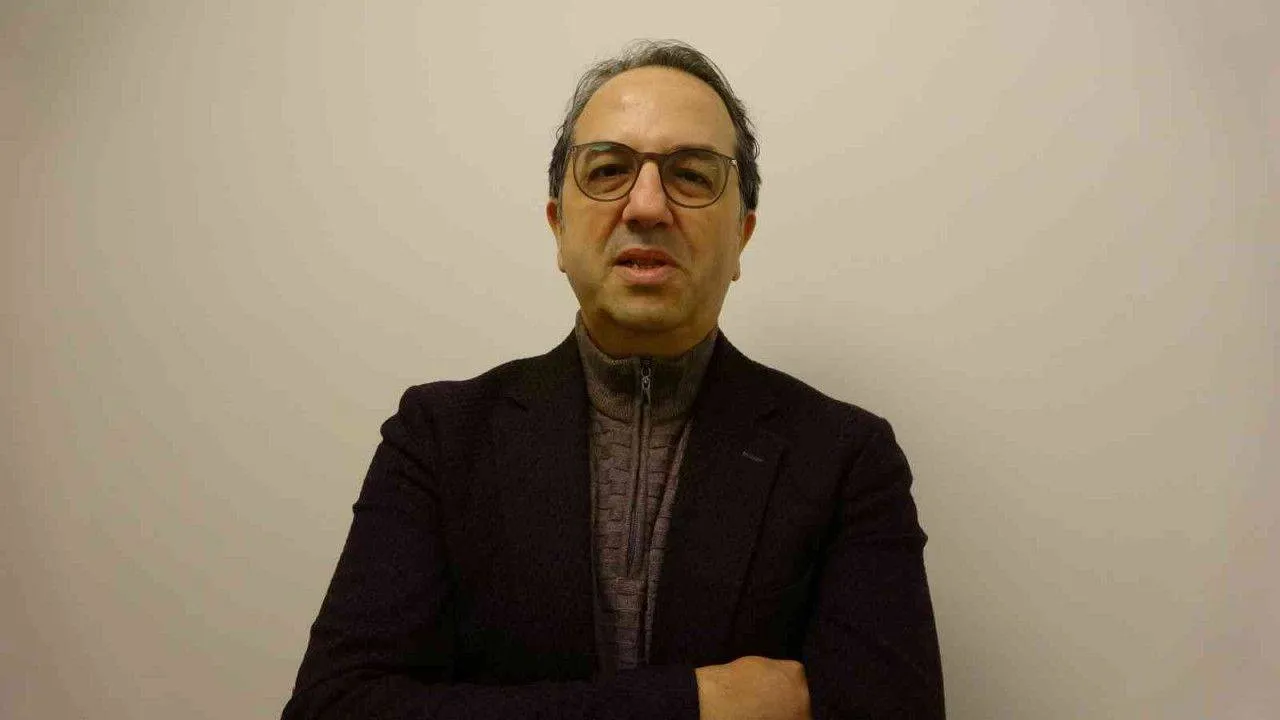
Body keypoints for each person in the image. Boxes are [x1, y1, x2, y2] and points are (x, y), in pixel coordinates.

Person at [282, 40, 944, 720]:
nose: (646, 206)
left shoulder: (847, 459)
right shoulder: (439, 439)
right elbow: (333, 708)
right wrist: (693, 704)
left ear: (742, 237)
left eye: (692, 175)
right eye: (607, 170)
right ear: (558, 228)